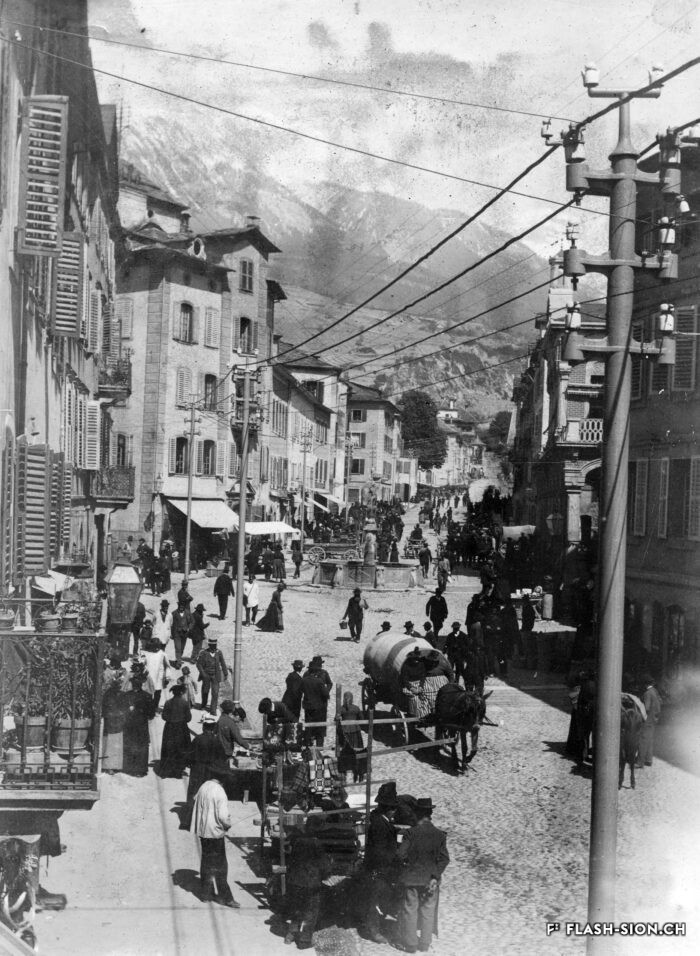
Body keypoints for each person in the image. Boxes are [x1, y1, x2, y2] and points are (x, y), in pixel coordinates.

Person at [396, 797, 450, 953]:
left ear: (417, 813)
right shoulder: (440, 835)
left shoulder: (411, 833)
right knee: (428, 911)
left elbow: (400, 854)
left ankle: (411, 944)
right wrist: (434, 875)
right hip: (430, 881)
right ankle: (425, 943)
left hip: (412, 879)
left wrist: (408, 863)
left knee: (410, 910)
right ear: (430, 814)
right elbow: (445, 859)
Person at [190, 774, 240, 908]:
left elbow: (195, 799)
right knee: (221, 866)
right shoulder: (220, 791)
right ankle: (226, 897)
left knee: (206, 861)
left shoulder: (204, 786)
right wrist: (228, 824)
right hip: (215, 833)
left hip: (203, 831)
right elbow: (223, 816)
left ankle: (206, 894)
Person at [283, 816, 331, 948]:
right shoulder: (316, 844)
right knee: (311, 911)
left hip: (296, 881)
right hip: (311, 883)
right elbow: (324, 867)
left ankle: (290, 935)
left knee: (297, 908)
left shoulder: (298, 840)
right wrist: (328, 871)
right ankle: (304, 941)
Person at [364, 782, 399, 944]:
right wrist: (395, 856)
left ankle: (376, 928)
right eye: (393, 808)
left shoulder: (379, 818)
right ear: (388, 808)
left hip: (379, 868)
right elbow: (379, 851)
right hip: (378, 869)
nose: (395, 811)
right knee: (374, 900)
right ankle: (373, 931)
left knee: (377, 898)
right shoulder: (380, 824)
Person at [182, 716, 228, 829]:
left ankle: (188, 822)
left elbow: (189, 755)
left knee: (193, 794)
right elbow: (222, 757)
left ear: (203, 727)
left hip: (197, 771)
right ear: (213, 728)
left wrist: (190, 763)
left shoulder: (197, 739)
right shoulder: (216, 741)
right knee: (208, 797)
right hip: (210, 772)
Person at [122, 675, 156, 777]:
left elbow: (122, 711)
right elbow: (151, 715)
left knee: (130, 745)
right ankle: (141, 770)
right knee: (142, 747)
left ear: (132, 685)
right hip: (142, 726)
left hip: (129, 726)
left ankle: (129, 768)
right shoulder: (147, 696)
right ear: (141, 685)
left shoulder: (126, 695)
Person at [158, 684, 192, 778]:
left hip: (169, 728)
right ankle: (178, 772)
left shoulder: (168, 702)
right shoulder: (184, 703)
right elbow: (188, 718)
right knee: (180, 749)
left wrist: (171, 719)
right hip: (181, 728)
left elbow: (164, 716)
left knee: (169, 749)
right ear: (181, 693)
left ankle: (167, 770)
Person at [337, 691, 366, 783]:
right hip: (355, 732)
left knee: (345, 752)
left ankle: (344, 772)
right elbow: (362, 719)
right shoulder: (356, 708)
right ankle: (360, 774)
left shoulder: (341, 709)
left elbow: (336, 719)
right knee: (358, 752)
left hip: (345, 733)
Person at [301, 658, 331, 746]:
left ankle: (313, 744)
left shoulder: (324, 673)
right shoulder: (307, 675)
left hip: (313, 704)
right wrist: (325, 693)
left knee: (313, 725)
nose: (321, 666)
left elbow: (330, 683)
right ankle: (314, 744)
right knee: (318, 725)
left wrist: (326, 690)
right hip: (319, 705)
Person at [196, 638, 229, 715]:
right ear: (209, 645)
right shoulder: (204, 653)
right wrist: (203, 673)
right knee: (205, 691)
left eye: (215, 645)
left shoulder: (219, 653)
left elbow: (223, 663)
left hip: (215, 675)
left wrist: (225, 673)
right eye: (212, 645)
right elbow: (199, 664)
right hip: (206, 675)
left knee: (215, 692)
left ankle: (213, 710)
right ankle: (203, 704)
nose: (214, 647)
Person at [637, 674, 662, 768]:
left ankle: (640, 762)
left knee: (643, 740)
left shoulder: (647, 693)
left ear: (645, 684)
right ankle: (648, 760)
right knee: (650, 739)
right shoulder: (655, 691)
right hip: (653, 719)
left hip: (647, 719)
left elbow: (646, 708)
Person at [142, 638, 170, 710]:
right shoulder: (147, 654)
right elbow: (143, 663)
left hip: (159, 677)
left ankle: (155, 707)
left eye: (157, 646)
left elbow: (168, 667)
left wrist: (167, 676)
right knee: (148, 693)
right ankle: (149, 708)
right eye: (154, 646)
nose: (156, 648)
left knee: (157, 693)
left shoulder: (163, 654)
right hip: (149, 676)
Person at [170, 602, 193, 667]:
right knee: (178, 648)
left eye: (183, 607)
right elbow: (171, 624)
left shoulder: (188, 613)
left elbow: (192, 621)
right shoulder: (174, 613)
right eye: (180, 607)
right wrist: (171, 633)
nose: (181, 608)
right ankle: (178, 663)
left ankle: (178, 659)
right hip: (177, 633)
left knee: (182, 648)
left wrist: (189, 628)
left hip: (185, 634)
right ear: (178, 606)